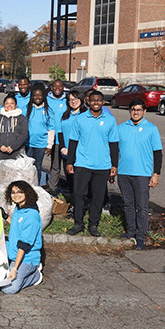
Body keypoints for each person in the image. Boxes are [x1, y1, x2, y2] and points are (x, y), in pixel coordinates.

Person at [65, 90, 119, 237]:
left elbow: (114, 144)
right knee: (78, 194)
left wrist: (114, 165)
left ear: (103, 102)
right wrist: (70, 162)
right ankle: (78, 224)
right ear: (88, 102)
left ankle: (93, 224)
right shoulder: (80, 119)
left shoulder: (110, 120)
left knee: (98, 196)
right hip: (82, 163)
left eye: (99, 100)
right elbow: (73, 142)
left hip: (102, 165)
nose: (96, 103)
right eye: (93, 100)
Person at [114, 99, 163, 250]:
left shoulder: (151, 128)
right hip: (124, 172)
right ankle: (130, 231)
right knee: (128, 205)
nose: (136, 112)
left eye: (139, 110)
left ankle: (141, 236)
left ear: (144, 111)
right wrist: (113, 167)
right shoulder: (121, 128)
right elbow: (115, 150)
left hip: (142, 174)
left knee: (141, 206)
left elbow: (158, 153)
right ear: (129, 111)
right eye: (133, 109)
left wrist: (156, 174)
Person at [2, 180, 43, 294]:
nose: (16, 195)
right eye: (13, 192)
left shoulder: (31, 215)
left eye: (20, 192)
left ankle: (35, 275)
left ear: (27, 193)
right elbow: (17, 224)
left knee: (9, 288)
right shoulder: (19, 208)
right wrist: (5, 216)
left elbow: (24, 245)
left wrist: (14, 269)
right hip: (13, 252)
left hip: (27, 257)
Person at [57, 90, 87, 197]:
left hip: (80, 155)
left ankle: (83, 205)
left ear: (81, 99)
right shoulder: (65, 115)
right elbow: (59, 132)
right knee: (70, 181)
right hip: (66, 154)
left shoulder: (85, 115)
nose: (73, 102)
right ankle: (74, 204)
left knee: (80, 183)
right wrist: (62, 147)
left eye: (76, 99)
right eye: (70, 99)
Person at [26, 83, 56, 186]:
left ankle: (36, 186)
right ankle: (27, 185)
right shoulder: (28, 108)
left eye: (39, 95)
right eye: (35, 95)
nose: (37, 97)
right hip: (28, 143)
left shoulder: (48, 110)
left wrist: (49, 145)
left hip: (41, 144)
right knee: (28, 166)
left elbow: (51, 129)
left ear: (43, 96)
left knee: (38, 166)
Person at [0, 95, 29, 171]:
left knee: (14, 175)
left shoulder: (22, 118)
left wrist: (13, 147)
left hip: (16, 152)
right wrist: (0, 146)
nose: (9, 105)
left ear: (16, 105)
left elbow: (24, 134)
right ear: (3, 105)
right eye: (7, 103)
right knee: (0, 175)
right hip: (0, 152)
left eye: (12, 103)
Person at [46, 79, 67, 195]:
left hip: (66, 138)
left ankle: (71, 188)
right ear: (51, 88)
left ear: (63, 87)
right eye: (55, 86)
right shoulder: (47, 100)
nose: (57, 88)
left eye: (60, 86)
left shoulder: (67, 100)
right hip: (54, 138)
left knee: (68, 165)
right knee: (55, 165)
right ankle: (52, 188)